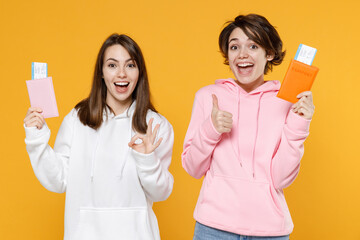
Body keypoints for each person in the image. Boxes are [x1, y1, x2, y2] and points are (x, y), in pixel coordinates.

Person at [24, 34, 174, 240]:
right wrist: (36, 138)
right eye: (112, 65)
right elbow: (58, 179)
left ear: (139, 73)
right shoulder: (78, 119)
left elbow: (161, 193)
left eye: (130, 66)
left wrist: (147, 160)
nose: (122, 73)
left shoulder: (155, 125)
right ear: (101, 73)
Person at [182, 14, 314, 240]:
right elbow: (192, 168)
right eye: (234, 47)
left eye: (253, 46)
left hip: (270, 231)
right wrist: (211, 129)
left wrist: (299, 125)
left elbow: (281, 178)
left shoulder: (287, 102)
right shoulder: (207, 97)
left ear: (269, 54)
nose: (242, 54)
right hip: (213, 229)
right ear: (228, 55)